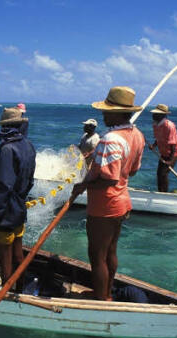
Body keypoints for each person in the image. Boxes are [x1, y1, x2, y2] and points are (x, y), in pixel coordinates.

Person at [72, 86, 145, 301]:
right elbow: (132, 170)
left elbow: (109, 179)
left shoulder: (110, 139)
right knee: (110, 251)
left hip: (105, 205)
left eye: (107, 110)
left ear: (119, 113)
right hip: (122, 202)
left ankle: (100, 298)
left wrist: (83, 187)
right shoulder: (137, 135)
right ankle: (106, 292)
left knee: (97, 255)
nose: (103, 114)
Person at [0, 107, 36, 289]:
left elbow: (3, 187)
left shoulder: (8, 150)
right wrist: (20, 201)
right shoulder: (28, 146)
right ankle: (20, 286)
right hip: (19, 207)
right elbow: (30, 181)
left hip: (6, 211)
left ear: (5, 127)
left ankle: (7, 291)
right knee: (18, 250)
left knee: (5, 255)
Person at [150, 104, 177, 192]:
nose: (153, 116)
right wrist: (154, 145)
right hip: (164, 153)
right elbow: (158, 138)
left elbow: (173, 144)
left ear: (162, 115)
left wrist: (171, 160)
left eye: (155, 114)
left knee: (163, 174)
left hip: (174, 152)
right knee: (159, 174)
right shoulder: (155, 125)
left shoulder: (169, 126)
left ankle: (164, 193)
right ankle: (160, 191)